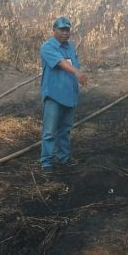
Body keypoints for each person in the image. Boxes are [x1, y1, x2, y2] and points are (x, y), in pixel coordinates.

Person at [39, 16, 88, 172]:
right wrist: (77, 73)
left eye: (67, 30)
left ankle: (63, 159)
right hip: (54, 95)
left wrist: (78, 76)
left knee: (65, 130)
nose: (64, 33)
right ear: (54, 30)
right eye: (61, 30)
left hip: (70, 94)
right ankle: (46, 162)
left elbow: (74, 64)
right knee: (49, 132)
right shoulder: (47, 47)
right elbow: (61, 63)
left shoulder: (70, 48)